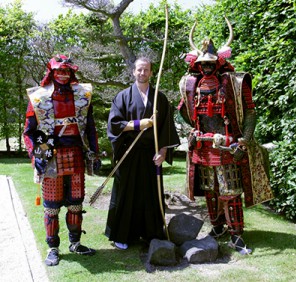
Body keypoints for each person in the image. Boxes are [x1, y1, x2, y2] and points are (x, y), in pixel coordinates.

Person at [178, 18, 273, 255]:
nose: (207, 67)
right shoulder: (192, 85)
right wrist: (191, 132)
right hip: (202, 147)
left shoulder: (235, 83)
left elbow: (250, 112)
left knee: (230, 191)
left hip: (228, 147)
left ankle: (237, 235)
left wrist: (245, 140)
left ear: (219, 62)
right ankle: (218, 227)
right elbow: (183, 111)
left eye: (211, 63)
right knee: (210, 190)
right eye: (203, 64)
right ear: (198, 65)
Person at [23, 54, 101, 266]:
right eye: (59, 71)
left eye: (67, 71)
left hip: (76, 153)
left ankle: (75, 244)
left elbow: (90, 127)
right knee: (52, 206)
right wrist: (37, 156)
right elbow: (29, 132)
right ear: (52, 72)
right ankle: (53, 248)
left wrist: (94, 152)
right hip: (50, 153)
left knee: (75, 204)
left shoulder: (83, 95)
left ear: (71, 72)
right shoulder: (38, 97)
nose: (63, 75)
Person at [105, 57, 180, 250]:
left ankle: (151, 234)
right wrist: (140, 124)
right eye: (139, 69)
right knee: (125, 194)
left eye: (146, 70)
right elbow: (114, 124)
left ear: (151, 73)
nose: (142, 73)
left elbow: (166, 130)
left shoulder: (160, 99)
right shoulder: (123, 96)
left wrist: (162, 152)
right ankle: (122, 235)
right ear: (133, 72)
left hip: (151, 156)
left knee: (151, 195)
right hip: (128, 154)